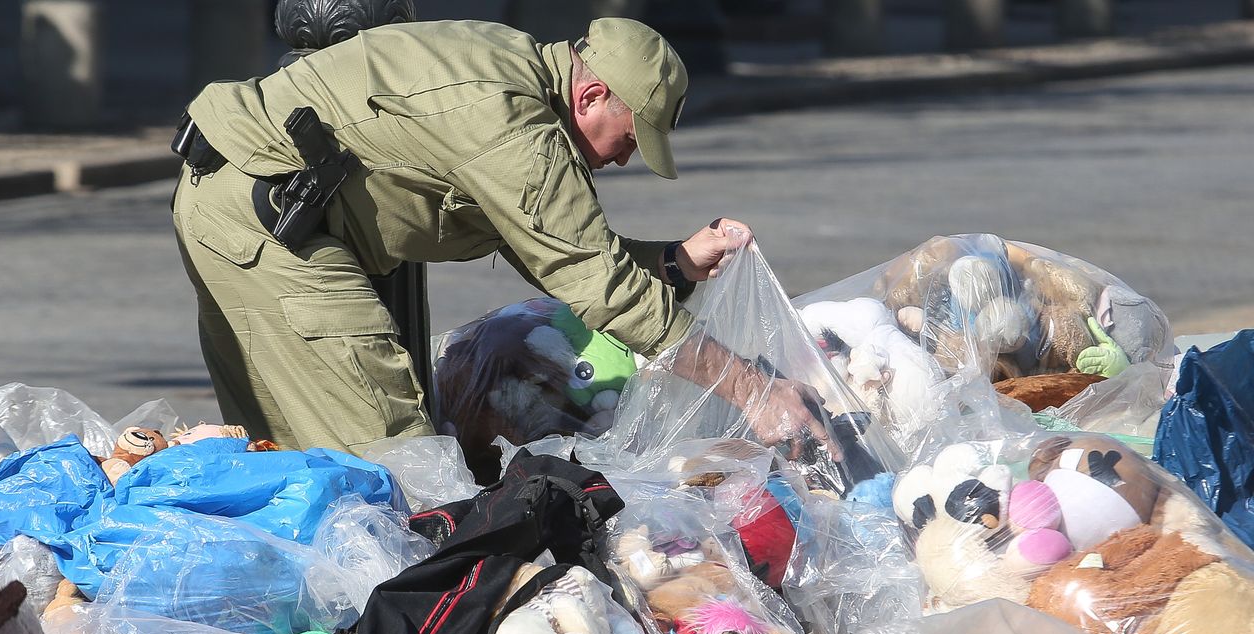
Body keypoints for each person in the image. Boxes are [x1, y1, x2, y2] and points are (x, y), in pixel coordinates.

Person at [171, 16, 831, 459]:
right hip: (267, 227)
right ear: (593, 94)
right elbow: (591, 280)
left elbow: (554, 247)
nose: (626, 159)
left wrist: (676, 261)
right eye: (630, 137)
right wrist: (751, 389)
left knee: (280, 460)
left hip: (235, 202)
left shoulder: (513, 69)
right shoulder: (515, 126)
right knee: (394, 458)